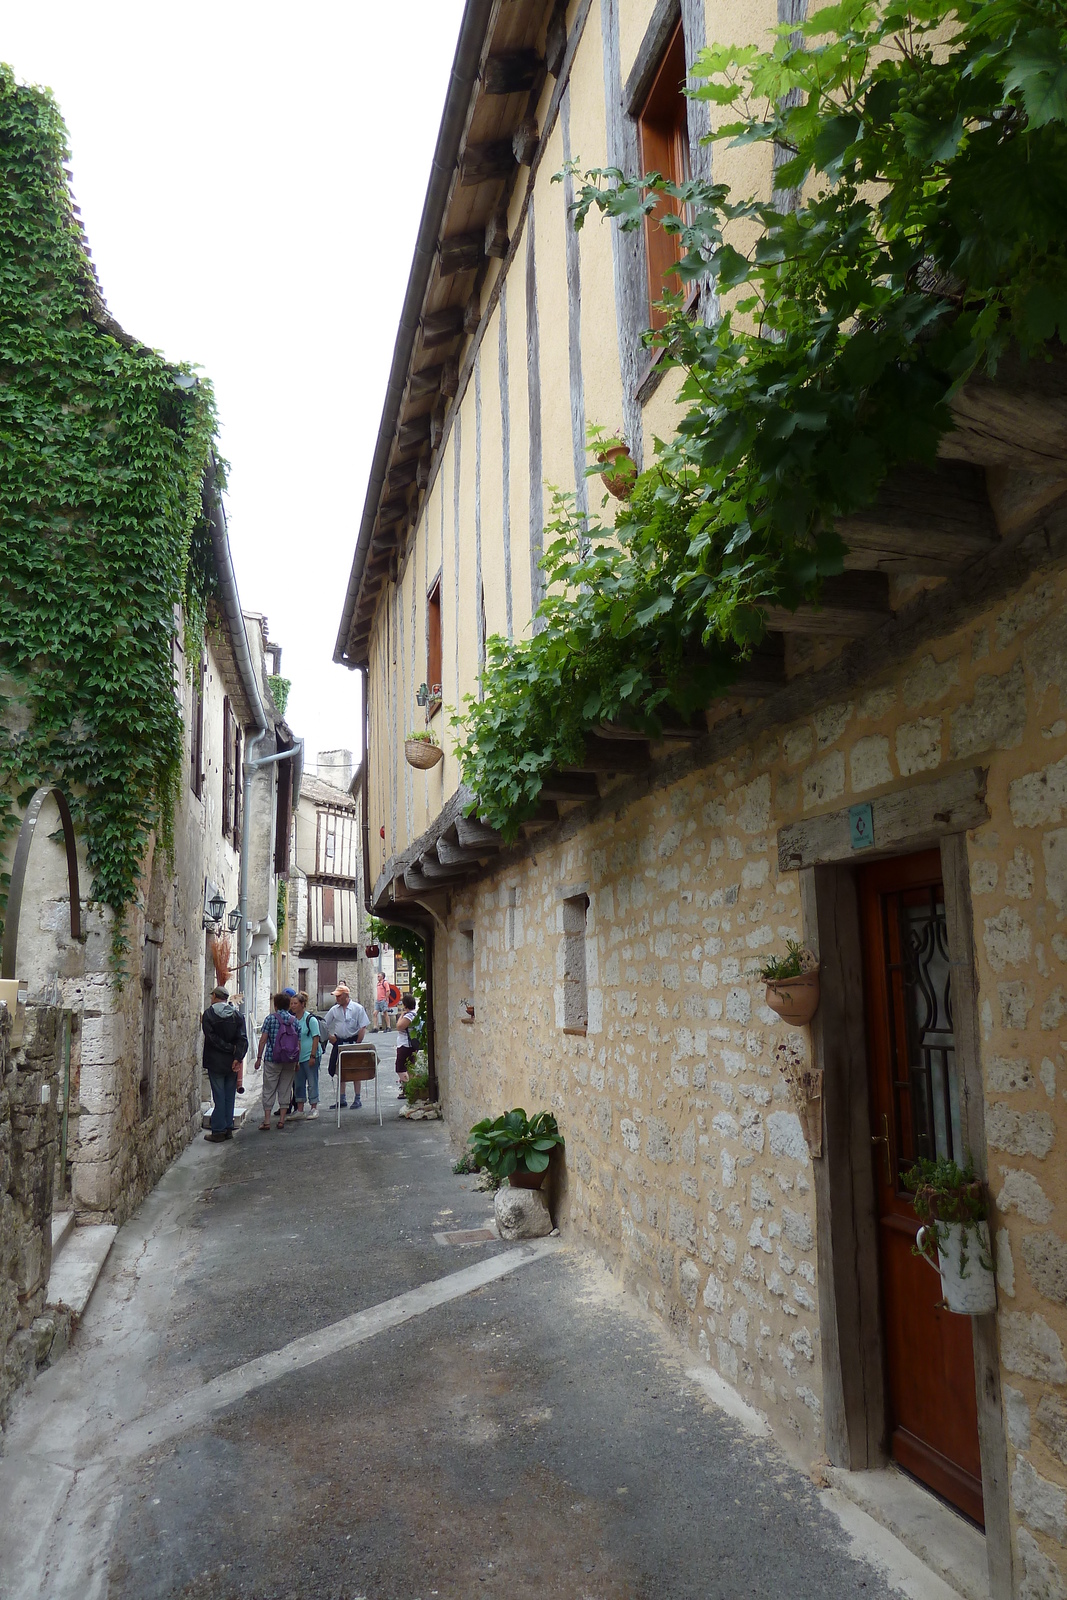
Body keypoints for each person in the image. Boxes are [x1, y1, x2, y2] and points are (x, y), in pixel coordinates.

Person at [201, 986, 248, 1142]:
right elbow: (242, 1039)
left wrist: (227, 1048)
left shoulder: (209, 1014)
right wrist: (237, 1057)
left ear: (214, 996)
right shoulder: (236, 1015)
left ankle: (219, 1130)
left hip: (215, 1061)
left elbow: (211, 1037)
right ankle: (228, 1127)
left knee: (219, 1096)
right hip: (232, 1062)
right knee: (229, 1095)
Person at [254, 991, 302, 1131]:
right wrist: (297, 1061)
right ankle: (281, 1120)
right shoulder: (295, 1021)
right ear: (288, 1006)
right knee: (285, 1088)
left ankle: (267, 1121)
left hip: (272, 1059)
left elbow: (263, 1040)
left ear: (275, 1006)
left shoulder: (270, 1019)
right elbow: (298, 1043)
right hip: (290, 1060)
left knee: (269, 1089)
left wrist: (258, 1058)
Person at [323, 983, 370, 1109]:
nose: (336, 998)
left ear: (346, 996)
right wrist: (330, 1036)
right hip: (339, 1041)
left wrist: (358, 1043)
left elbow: (363, 1026)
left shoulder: (357, 1008)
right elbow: (323, 1024)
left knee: (355, 1070)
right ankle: (342, 1098)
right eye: (336, 996)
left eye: (339, 996)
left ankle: (357, 1098)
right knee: (339, 1069)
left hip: (353, 1040)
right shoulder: (334, 1010)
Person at [291, 991, 321, 1119]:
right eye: (291, 1003)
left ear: (302, 1004)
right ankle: (300, 1109)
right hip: (298, 1057)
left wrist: (313, 1056)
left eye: (295, 1003)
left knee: (312, 1081)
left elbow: (316, 1037)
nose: (292, 1006)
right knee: (299, 1083)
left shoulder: (310, 1019)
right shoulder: (292, 1020)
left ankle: (314, 1108)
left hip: (309, 1056)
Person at [394, 992, 417, 1098]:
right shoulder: (415, 1014)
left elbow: (399, 1026)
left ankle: (407, 1089)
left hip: (405, 1045)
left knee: (400, 1068)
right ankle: (410, 1088)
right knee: (410, 1067)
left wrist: (402, 1015)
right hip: (412, 1045)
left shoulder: (409, 1015)